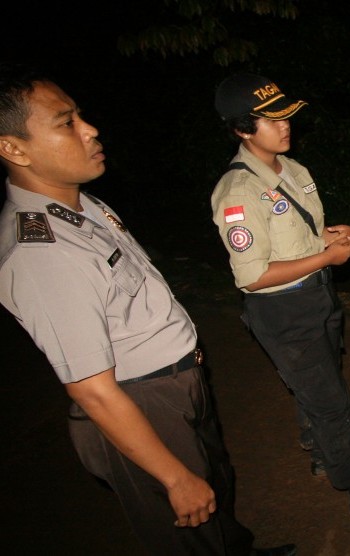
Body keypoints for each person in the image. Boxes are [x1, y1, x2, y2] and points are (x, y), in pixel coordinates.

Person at [0, 63, 295, 555]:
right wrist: (172, 477)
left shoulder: (80, 206)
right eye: (66, 122)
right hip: (141, 405)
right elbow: (93, 391)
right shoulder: (41, 252)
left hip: (175, 387)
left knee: (216, 491)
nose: (90, 129)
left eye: (81, 116)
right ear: (14, 148)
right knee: (188, 524)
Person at [210, 72, 350, 539]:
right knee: (332, 402)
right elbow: (252, 275)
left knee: (322, 381)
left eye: (285, 114)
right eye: (271, 119)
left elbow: (297, 238)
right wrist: (326, 256)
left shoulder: (292, 171)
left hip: (317, 295)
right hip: (281, 311)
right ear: (242, 129)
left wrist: (336, 237)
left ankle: (319, 447)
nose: (285, 125)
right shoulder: (237, 192)